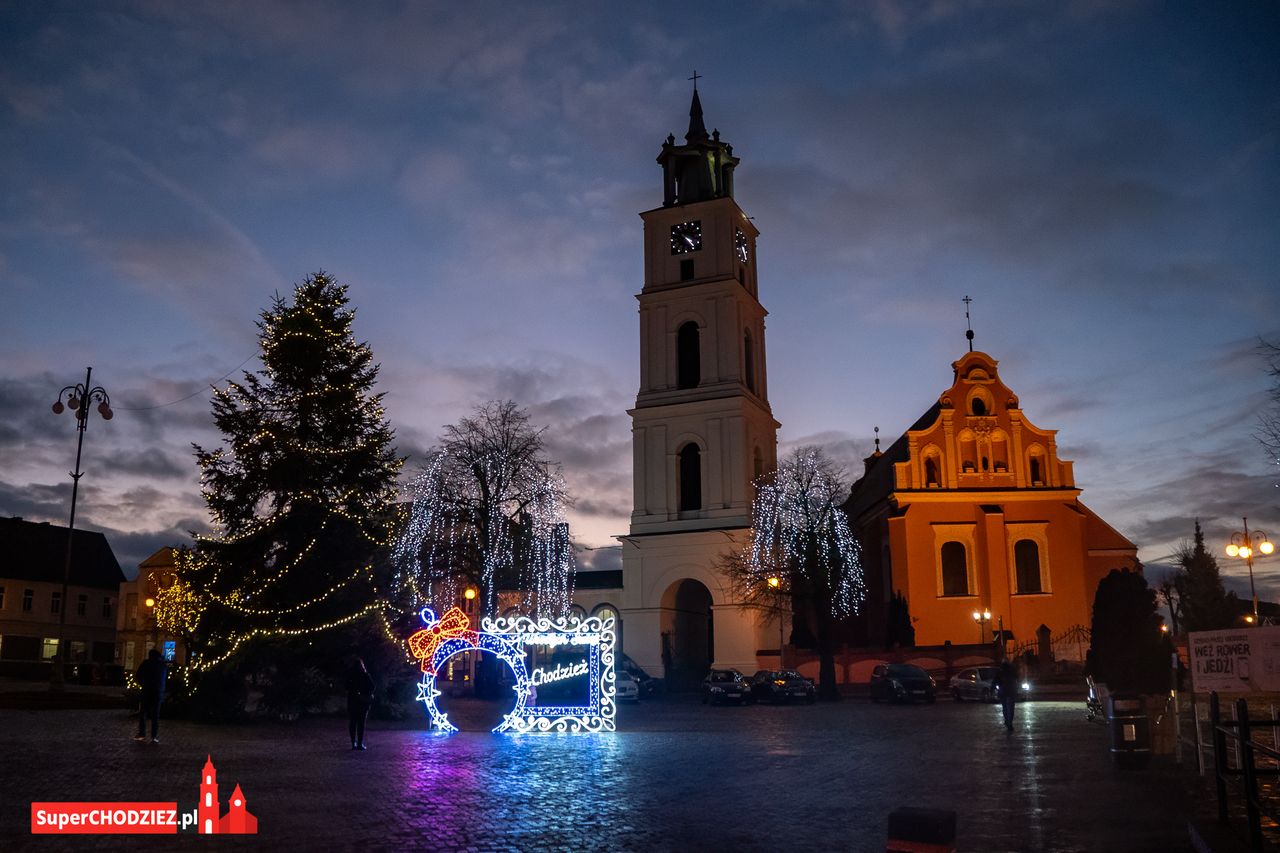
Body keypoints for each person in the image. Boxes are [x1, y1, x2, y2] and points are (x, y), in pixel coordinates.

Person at [135, 649, 167, 743]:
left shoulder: (146, 663)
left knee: (143, 712)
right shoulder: (162, 665)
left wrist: (143, 684)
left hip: (147, 691)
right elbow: (165, 679)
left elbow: (139, 675)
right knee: (155, 715)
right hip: (158, 692)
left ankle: (142, 733)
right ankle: (154, 736)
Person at [346, 657, 374, 750]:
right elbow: (372, 687)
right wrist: (365, 693)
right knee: (361, 723)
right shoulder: (365, 675)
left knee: (353, 722)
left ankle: (353, 742)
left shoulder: (350, 676)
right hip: (362, 702)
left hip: (353, 701)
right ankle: (359, 743)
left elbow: (346, 686)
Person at [996, 657, 1018, 732]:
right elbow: (1017, 677)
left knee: (1005, 707)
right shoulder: (1012, 669)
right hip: (1011, 690)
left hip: (1003, 691)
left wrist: (993, 688)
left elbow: (996, 679)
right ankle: (1010, 723)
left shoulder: (1000, 669)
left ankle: (1007, 721)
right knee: (1011, 708)